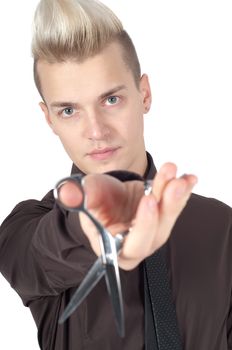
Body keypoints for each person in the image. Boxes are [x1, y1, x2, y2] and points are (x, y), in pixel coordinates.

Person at [0, 0, 231, 349]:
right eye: (69, 110)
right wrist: (93, 226)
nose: (96, 130)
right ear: (50, 120)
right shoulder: (25, 230)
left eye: (110, 100)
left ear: (144, 94)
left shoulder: (222, 227)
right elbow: (44, 254)